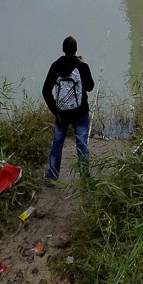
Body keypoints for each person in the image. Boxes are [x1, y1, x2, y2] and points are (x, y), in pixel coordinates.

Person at [42, 36, 95, 180]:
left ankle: (52, 176)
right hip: (81, 113)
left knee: (57, 145)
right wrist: (82, 65)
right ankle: (84, 176)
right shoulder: (82, 66)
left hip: (61, 115)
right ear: (75, 49)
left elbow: (45, 91)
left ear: (63, 49)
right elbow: (90, 87)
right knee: (82, 145)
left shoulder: (55, 66)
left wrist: (55, 110)